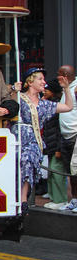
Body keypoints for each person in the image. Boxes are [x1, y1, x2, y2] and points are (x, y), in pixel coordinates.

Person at [14, 68, 74, 215]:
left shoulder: (44, 104)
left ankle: (23, 201)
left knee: (27, 161)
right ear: (30, 82)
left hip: (33, 142)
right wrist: (12, 90)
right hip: (17, 139)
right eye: (40, 79)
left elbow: (68, 107)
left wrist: (66, 89)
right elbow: (8, 104)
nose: (44, 82)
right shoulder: (19, 98)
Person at [41, 79, 68, 209]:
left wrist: (58, 148)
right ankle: (53, 197)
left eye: (48, 89)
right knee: (52, 172)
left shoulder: (58, 106)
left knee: (57, 172)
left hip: (56, 145)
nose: (45, 90)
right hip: (50, 145)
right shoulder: (47, 103)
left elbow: (59, 130)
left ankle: (60, 199)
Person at [55, 65, 77, 212]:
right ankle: (74, 200)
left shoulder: (76, 88)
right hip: (65, 135)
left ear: (64, 76)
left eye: (58, 75)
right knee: (70, 171)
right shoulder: (65, 89)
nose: (56, 78)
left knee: (75, 168)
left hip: (75, 134)